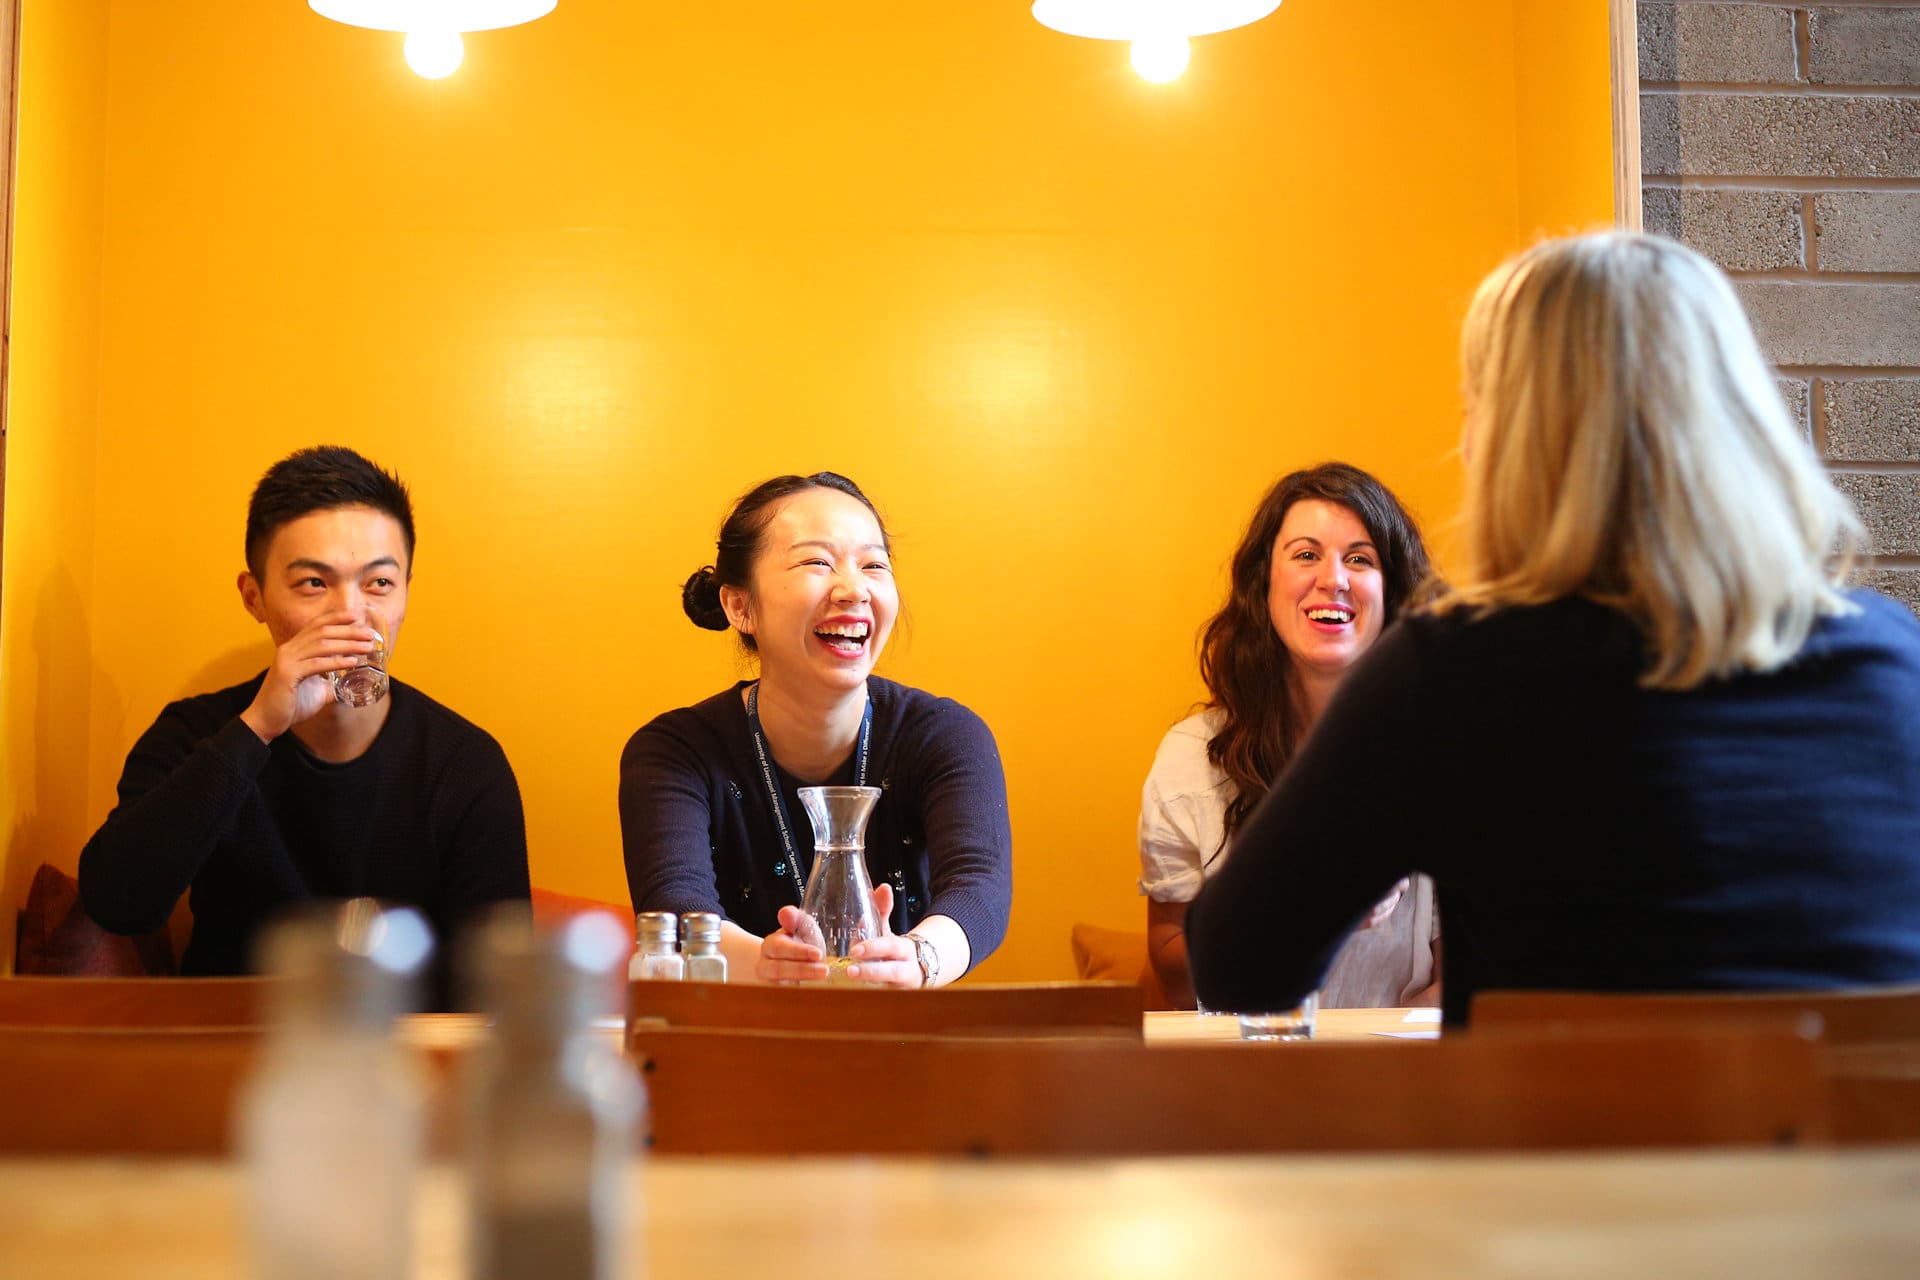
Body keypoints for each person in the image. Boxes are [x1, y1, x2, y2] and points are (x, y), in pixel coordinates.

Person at [1187, 231, 1920, 1026]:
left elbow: (1237, 969)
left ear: (1514, 444)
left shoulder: (1451, 675)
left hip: (1582, 1147)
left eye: (1478, 409)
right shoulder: (1893, 660)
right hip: (1862, 1148)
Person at [78, 446, 531, 1005]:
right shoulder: (196, 734)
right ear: (255, 598)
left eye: (379, 584)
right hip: (233, 1059)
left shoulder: (465, 765)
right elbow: (117, 903)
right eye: (314, 584)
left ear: (407, 593)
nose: (351, 613)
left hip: (403, 1069)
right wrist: (257, 728)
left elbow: (498, 991)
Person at [619, 472, 1012, 987]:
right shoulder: (674, 752)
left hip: (901, 1046)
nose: (854, 590)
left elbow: (977, 887)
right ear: (740, 605)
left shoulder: (945, 735)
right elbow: (677, 906)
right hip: (737, 1046)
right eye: (817, 562)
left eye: (874, 565)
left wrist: (916, 959)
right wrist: (766, 965)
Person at [1139, 463, 1439, 1009]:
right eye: (1306, 554)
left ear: (1392, 591)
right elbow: (1175, 975)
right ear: (1263, 583)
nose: (1334, 579)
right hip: (1245, 1074)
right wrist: (1320, 907)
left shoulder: (1444, 753)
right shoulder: (1193, 757)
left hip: (1403, 1077)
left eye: (1360, 558)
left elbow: (1468, 976)